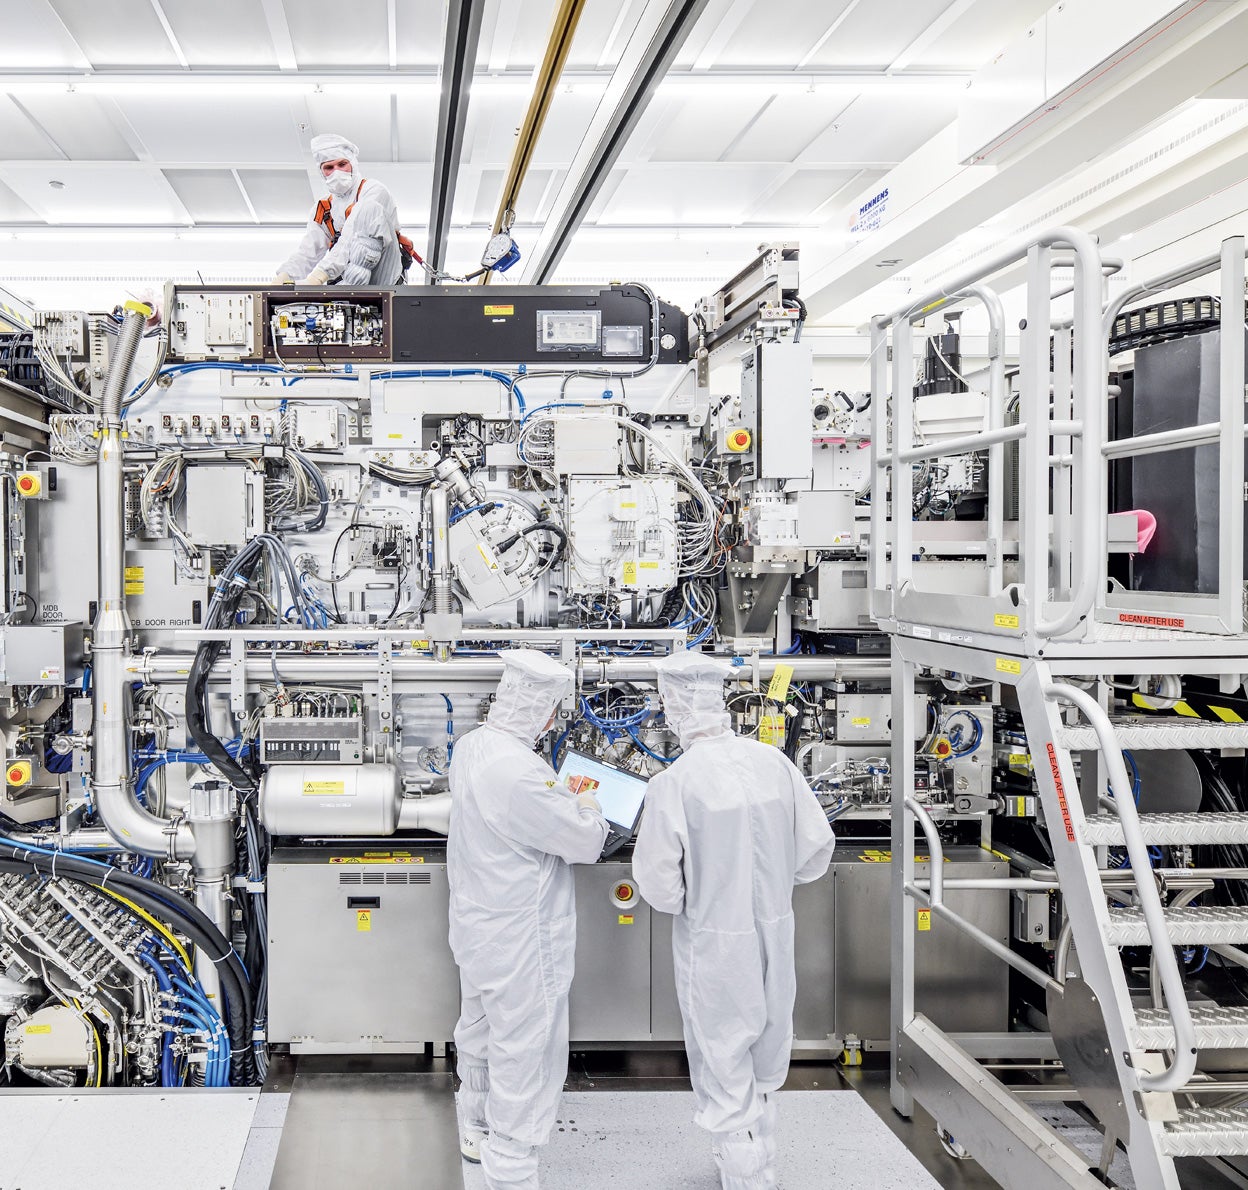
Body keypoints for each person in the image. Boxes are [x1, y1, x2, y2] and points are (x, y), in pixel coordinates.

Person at [633, 652, 836, 1190]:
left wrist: (702, 897)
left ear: (673, 708)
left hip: (715, 941)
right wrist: (769, 887)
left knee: (721, 1052)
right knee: (767, 1044)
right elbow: (817, 850)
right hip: (776, 928)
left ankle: (745, 1171)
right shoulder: (773, 763)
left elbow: (658, 886)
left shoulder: (676, 782)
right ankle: (762, 1157)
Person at [447, 650, 608, 1189]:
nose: (552, 721)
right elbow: (584, 842)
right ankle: (511, 1166)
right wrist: (588, 806)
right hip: (521, 936)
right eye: (551, 711)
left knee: (479, 1031)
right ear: (541, 710)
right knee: (526, 1048)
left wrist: (558, 797)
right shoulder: (517, 771)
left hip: (477, 925)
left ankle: (475, 1129)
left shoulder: (474, 745)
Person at [275, 133, 405, 286]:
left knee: (369, 210)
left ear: (353, 164)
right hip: (346, 276)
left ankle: (352, 288)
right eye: (329, 167)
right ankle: (348, 289)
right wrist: (284, 276)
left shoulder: (373, 190)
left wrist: (318, 276)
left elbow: (349, 236)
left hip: (384, 273)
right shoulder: (324, 208)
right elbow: (308, 251)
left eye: (342, 164)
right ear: (321, 172)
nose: (336, 171)